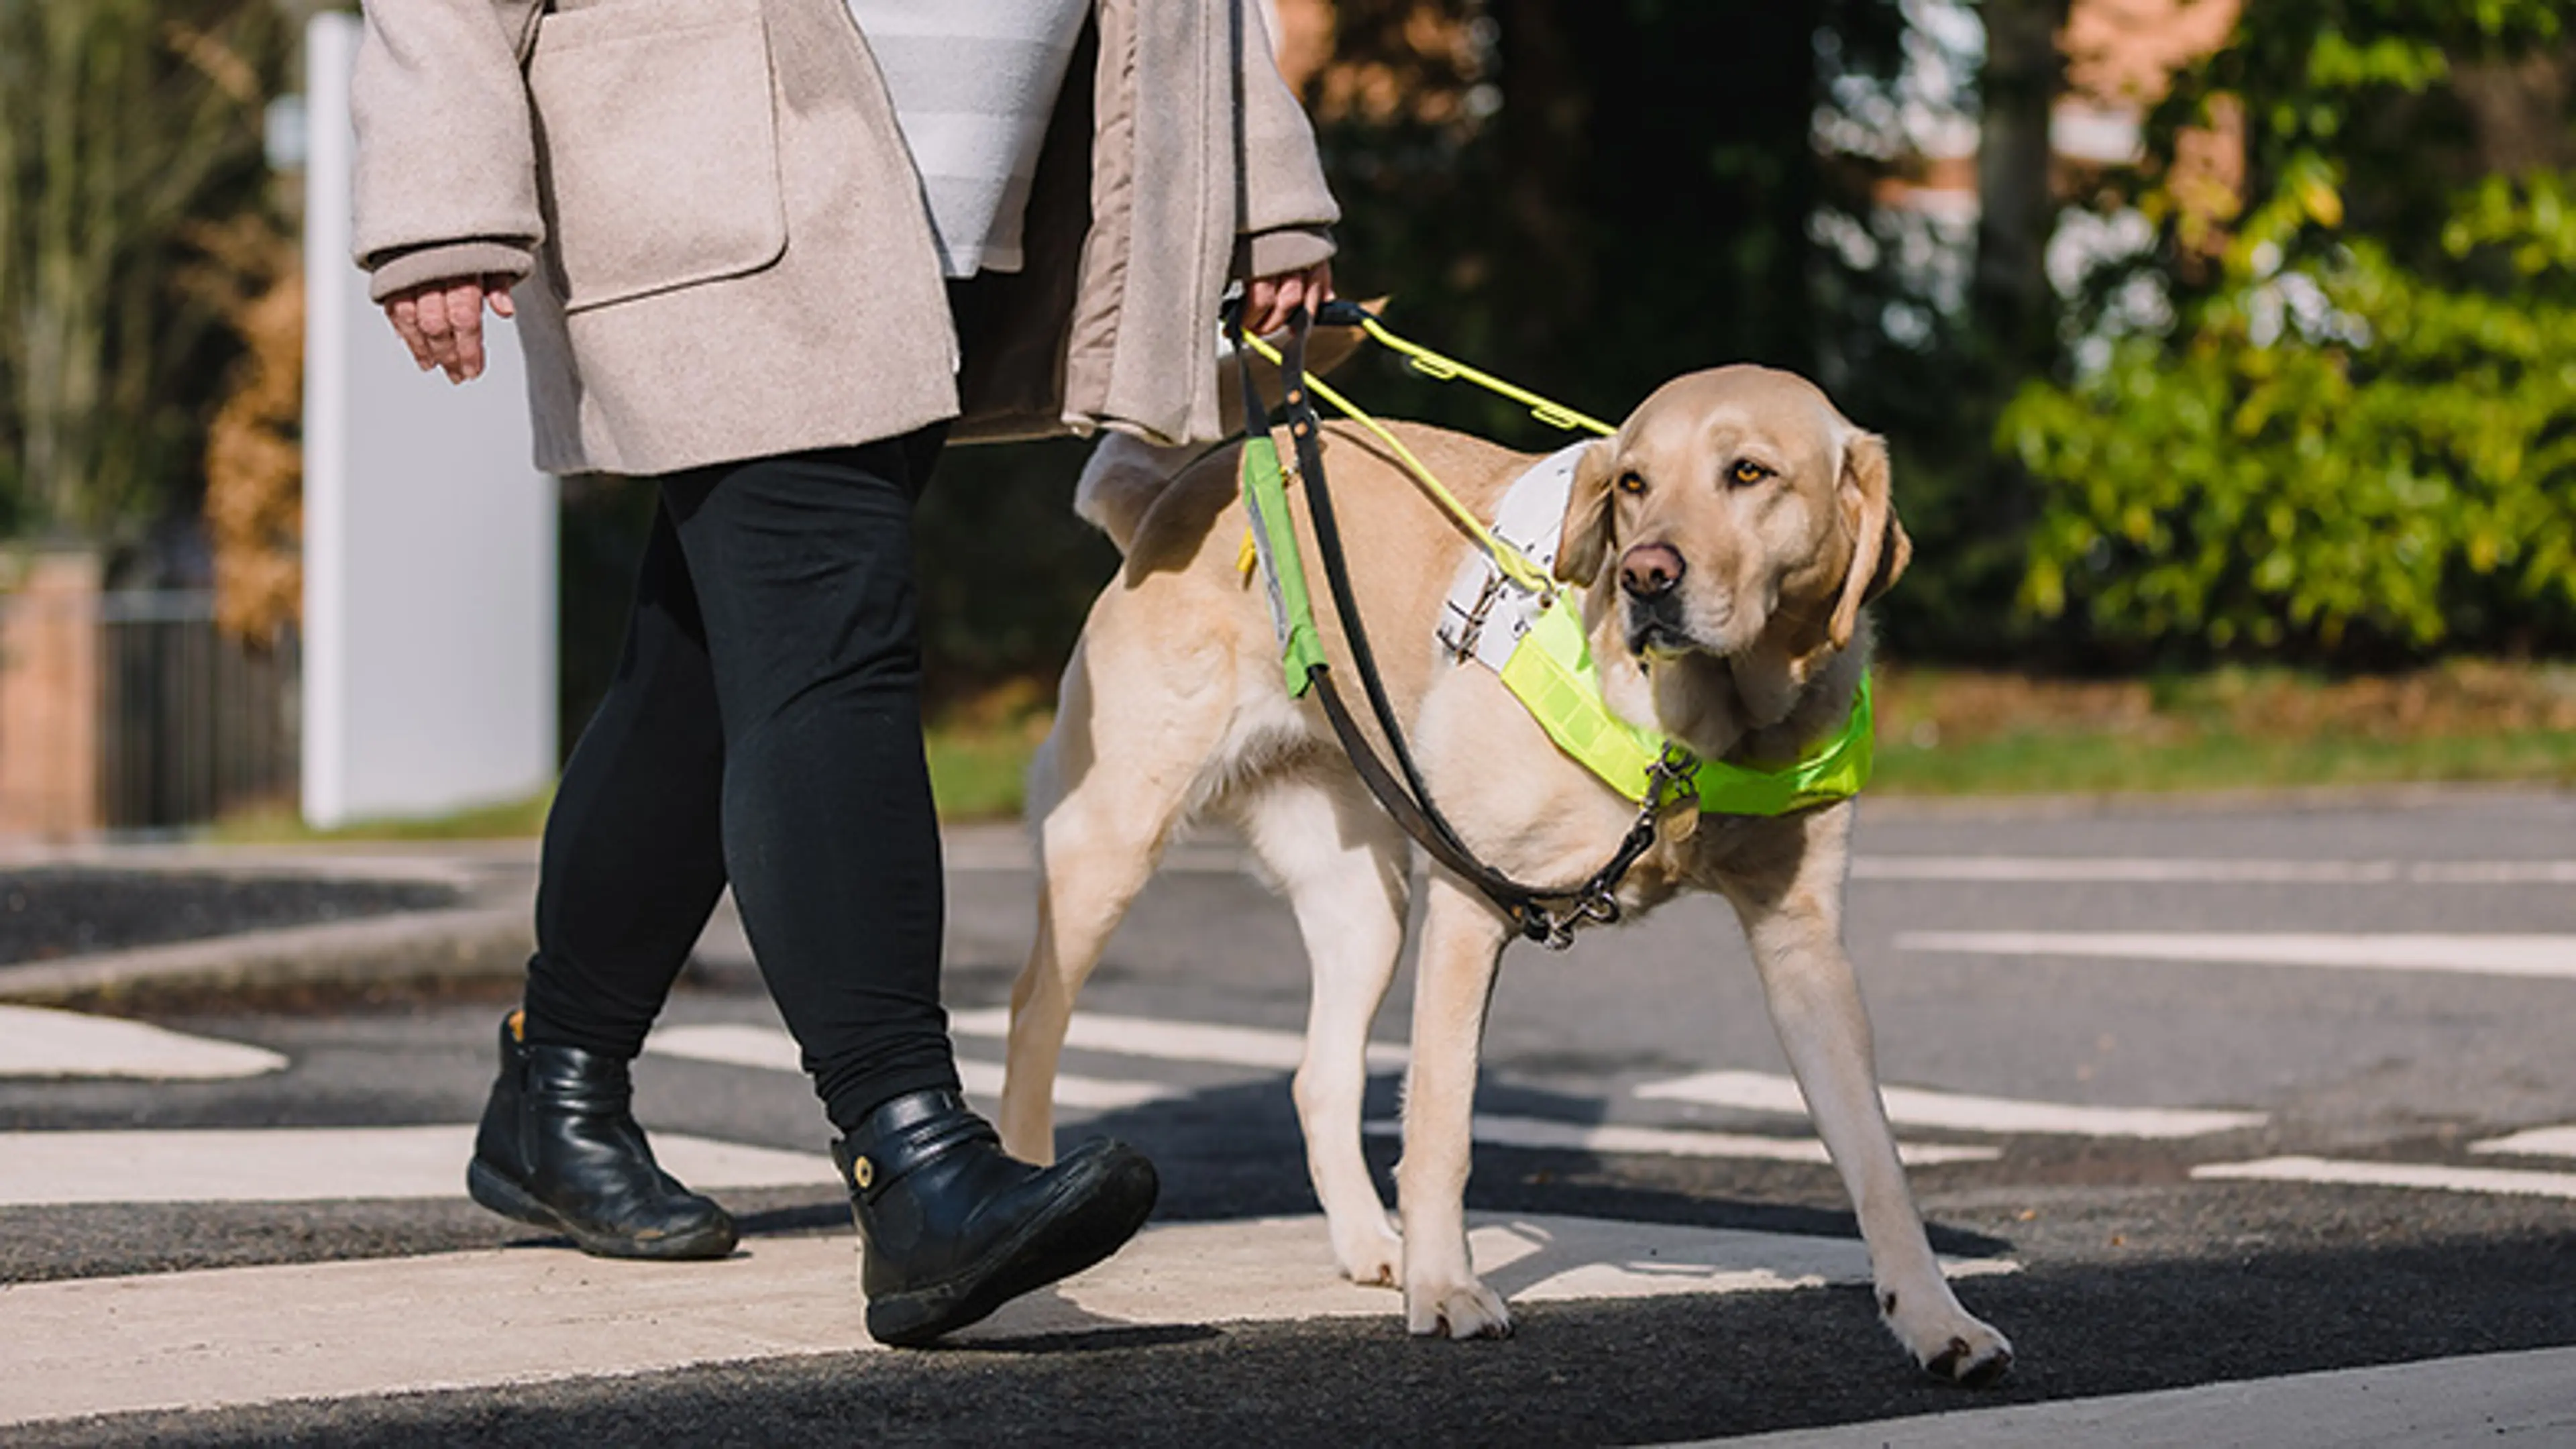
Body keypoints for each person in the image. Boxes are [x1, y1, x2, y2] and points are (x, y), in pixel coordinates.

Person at [349, 0, 1339, 1346]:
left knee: (708, 659)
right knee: (831, 641)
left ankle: (557, 1088)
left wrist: (1264, 191)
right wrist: (437, 198)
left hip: (957, 222)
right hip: (718, 180)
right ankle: (913, 1156)